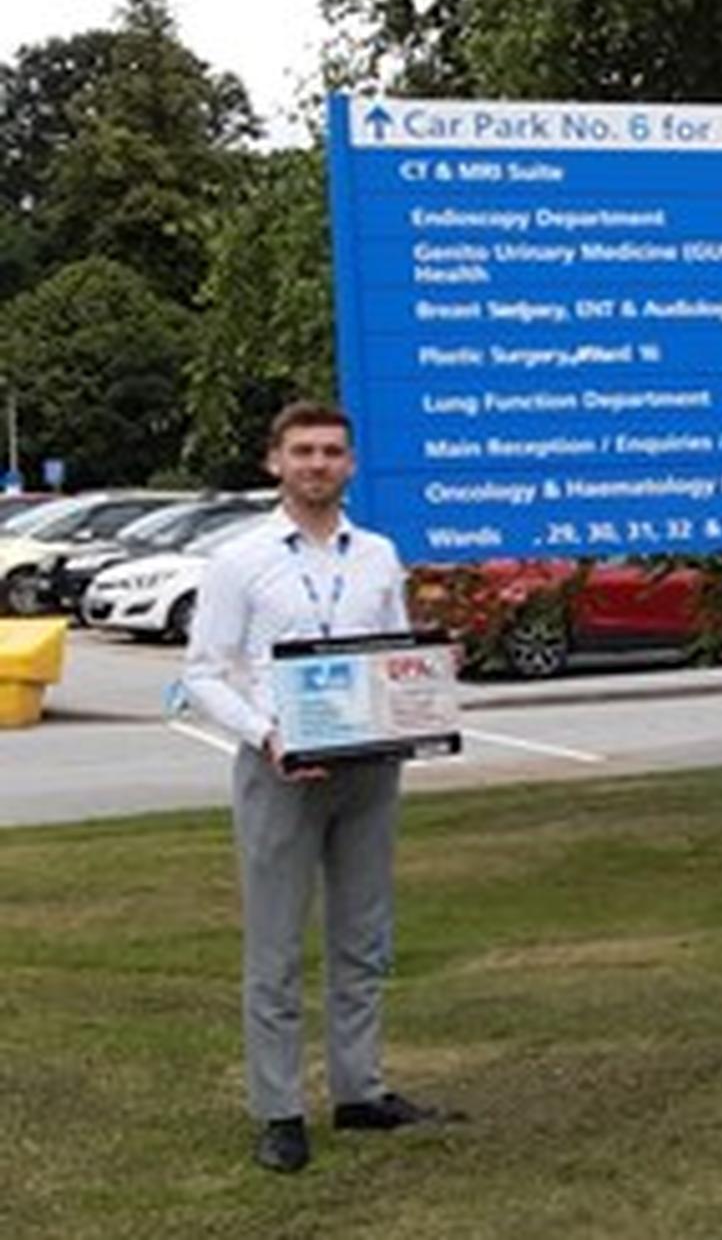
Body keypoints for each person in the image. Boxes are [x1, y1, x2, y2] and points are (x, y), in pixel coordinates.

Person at [182, 400, 459, 1174]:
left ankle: (359, 1089)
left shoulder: (376, 553)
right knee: (274, 948)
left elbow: (396, 649)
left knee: (363, 938)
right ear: (275, 462)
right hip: (281, 769)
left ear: (351, 464)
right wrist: (265, 736)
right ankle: (279, 1110)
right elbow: (201, 674)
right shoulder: (239, 560)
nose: (317, 464)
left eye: (332, 451)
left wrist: (430, 676)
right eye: (302, 451)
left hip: (370, 769)